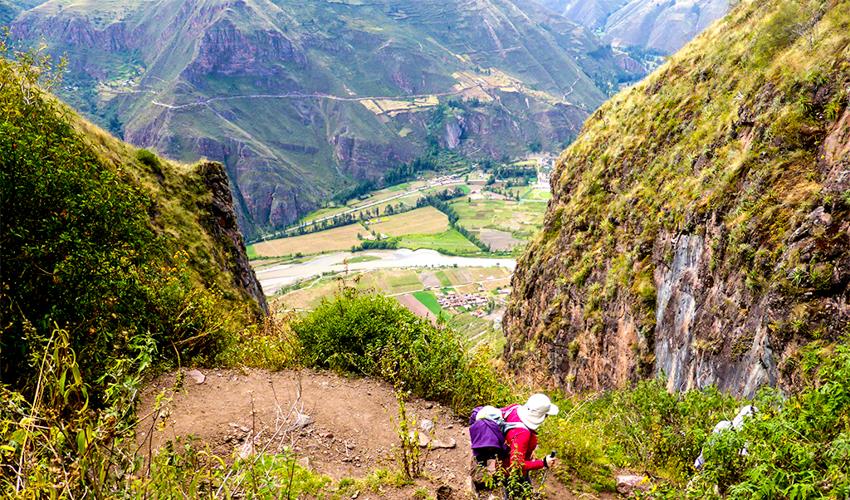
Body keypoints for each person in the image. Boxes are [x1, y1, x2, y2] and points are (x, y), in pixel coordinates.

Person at [501, 394, 559, 480]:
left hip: (504, 462)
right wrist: (543, 463)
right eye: (546, 415)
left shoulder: (514, 408)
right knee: (520, 492)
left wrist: (528, 450)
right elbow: (516, 465)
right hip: (511, 475)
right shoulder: (523, 433)